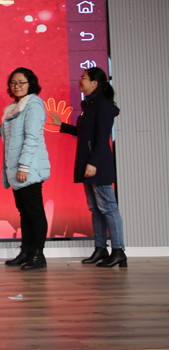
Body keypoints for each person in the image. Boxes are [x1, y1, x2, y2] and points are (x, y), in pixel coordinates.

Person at [48, 67, 125, 268]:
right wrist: (62, 125)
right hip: (88, 163)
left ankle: (118, 250)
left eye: (83, 78)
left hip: (97, 165)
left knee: (108, 207)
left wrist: (94, 163)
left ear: (95, 83)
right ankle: (100, 248)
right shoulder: (89, 105)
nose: (79, 81)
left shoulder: (103, 106)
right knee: (95, 207)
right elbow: (85, 133)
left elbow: (102, 138)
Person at [0, 67, 51, 271]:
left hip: (29, 168)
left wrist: (24, 166)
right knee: (25, 212)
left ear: (30, 84)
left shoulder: (34, 105)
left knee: (34, 212)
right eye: (13, 83)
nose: (17, 86)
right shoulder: (14, 107)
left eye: (21, 82)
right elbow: (6, 132)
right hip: (17, 169)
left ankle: (38, 254)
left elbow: (32, 138)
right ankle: (26, 251)